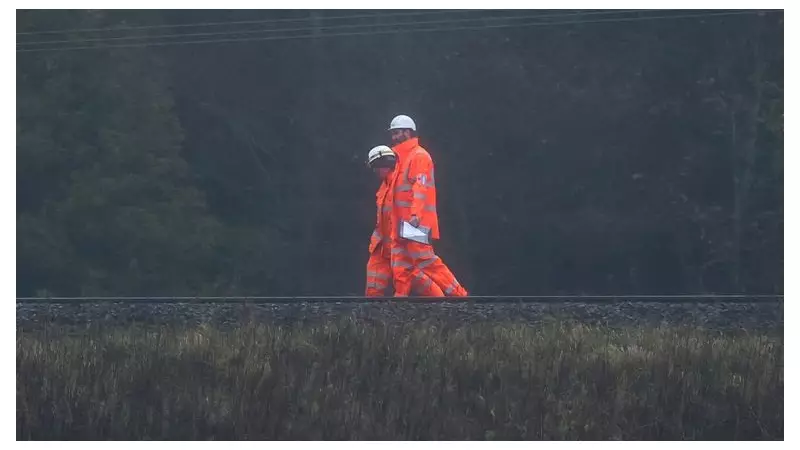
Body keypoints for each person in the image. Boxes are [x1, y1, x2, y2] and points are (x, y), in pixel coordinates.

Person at [386, 115, 468, 297]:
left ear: (408, 132)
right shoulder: (400, 159)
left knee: (427, 261)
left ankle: (460, 296)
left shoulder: (419, 156)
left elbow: (420, 187)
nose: (394, 137)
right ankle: (400, 303)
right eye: (392, 133)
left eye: (397, 133)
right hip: (401, 226)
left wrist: (415, 215)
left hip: (415, 223)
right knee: (400, 265)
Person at [364, 145, 444, 297]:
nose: (375, 172)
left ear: (384, 164)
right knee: (374, 287)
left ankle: (446, 304)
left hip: (401, 242)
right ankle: (373, 316)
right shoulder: (384, 187)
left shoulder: (401, 184)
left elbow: (412, 203)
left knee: (418, 280)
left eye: (376, 167)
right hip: (382, 245)